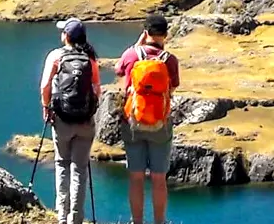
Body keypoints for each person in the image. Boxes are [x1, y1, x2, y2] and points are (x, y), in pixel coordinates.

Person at [116, 13, 180, 224]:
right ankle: (160, 222)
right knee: (159, 179)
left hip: (134, 122)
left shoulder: (131, 55)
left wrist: (136, 46)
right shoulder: (170, 60)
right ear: (165, 36)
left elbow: (118, 70)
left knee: (136, 178)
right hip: (160, 124)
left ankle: (137, 221)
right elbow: (172, 88)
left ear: (145, 33)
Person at [39, 18, 101, 224]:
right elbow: (96, 90)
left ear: (66, 36)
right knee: (80, 169)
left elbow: (45, 86)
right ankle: (76, 218)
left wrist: (46, 107)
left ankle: (61, 217)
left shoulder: (56, 56)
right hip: (85, 121)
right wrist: (89, 111)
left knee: (62, 164)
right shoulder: (90, 58)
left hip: (62, 120)